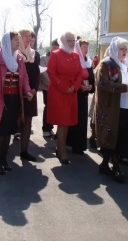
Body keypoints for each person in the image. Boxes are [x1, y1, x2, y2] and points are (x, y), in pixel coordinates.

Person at [0, 32, 35, 175]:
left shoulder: (19, 58)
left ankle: (4, 160)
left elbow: (24, 78)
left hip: (14, 101)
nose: (18, 42)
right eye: (15, 40)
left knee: (8, 132)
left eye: (19, 40)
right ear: (7, 41)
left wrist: (28, 91)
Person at [94, 37, 128, 183]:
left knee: (119, 137)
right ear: (114, 50)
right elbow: (103, 84)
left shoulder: (126, 65)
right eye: (121, 49)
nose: (125, 52)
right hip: (111, 108)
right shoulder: (106, 64)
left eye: (126, 49)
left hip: (125, 107)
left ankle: (105, 165)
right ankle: (116, 168)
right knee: (112, 137)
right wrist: (125, 88)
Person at [47, 32, 83, 164]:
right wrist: (64, 87)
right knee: (62, 122)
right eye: (69, 40)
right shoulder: (55, 54)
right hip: (59, 92)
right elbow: (52, 73)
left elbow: (79, 74)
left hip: (71, 92)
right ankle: (62, 152)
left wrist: (75, 86)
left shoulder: (75, 55)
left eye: (73, 40)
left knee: (67, 122)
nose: (72, 43)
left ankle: (60, 148)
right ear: (63, 41)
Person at [66, 39, 95, 154]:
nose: (86, 49)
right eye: (84, 46)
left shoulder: (88, 61)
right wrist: (79, 87)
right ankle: (71, 144)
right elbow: (71, 78)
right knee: (75, 119)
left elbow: (91, 77)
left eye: (87, 46)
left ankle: (81, 145)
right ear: (78, 47)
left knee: (82, 120)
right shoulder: (74, 60)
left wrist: (91, 86)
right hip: (75, 94)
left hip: (84, 95)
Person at [18, 29, 40, 161]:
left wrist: (34, 90)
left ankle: (24, 151)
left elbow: (37, 74)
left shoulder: (34, 54)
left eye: (29, 36)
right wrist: (23, 91)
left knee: (27, 122)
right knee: (13, 122)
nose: (28, 38)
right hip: (17, 94)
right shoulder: (15, 53)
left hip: (31, 93)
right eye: (25, 36)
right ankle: (4, 154)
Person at [40, 39, 59, 137]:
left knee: (54, 108)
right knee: (47, 107)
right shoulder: (44, 58)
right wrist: (51, 83)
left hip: (57, 88)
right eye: (53, 47)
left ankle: (50, 127)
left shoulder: (59, 58)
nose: (55, 49)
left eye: (57, 47)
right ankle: (45, 129)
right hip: (47, 87)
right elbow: (43, 72)